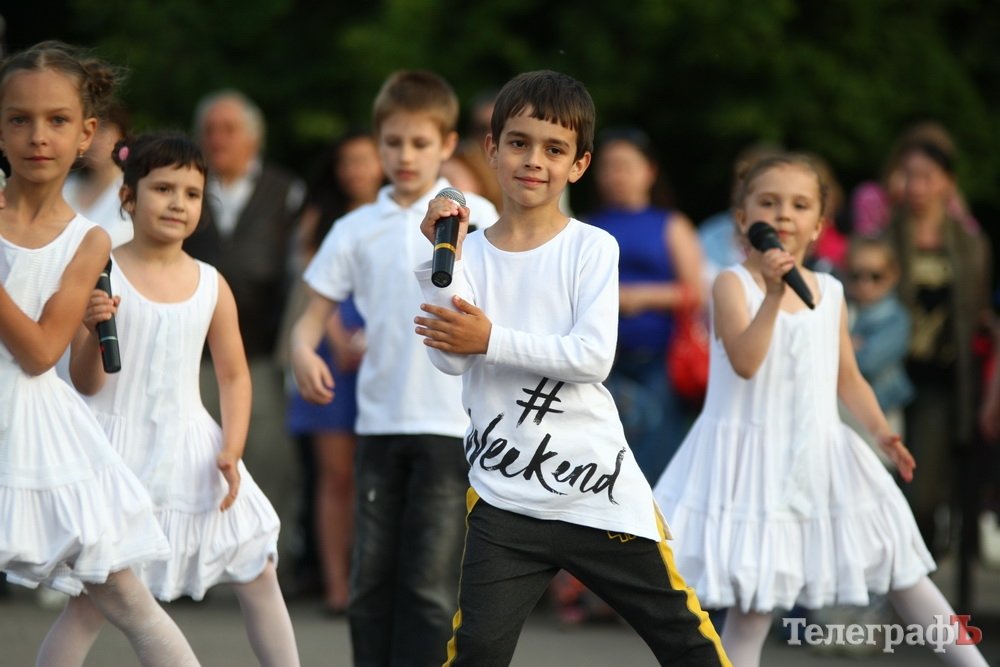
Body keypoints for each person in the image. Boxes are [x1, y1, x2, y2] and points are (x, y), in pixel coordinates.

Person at [413, 69, 729, 667]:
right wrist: (434, 254)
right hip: (505, 498)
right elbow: (448, 358)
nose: (534, 160)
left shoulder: (592, 246)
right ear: (492, 149)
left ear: (578, 165)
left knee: (685, 642)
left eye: (554, 149)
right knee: (476, 650)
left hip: (596, 490)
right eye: (519, 143)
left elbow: (591, 357)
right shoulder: (469, 252)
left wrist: (492, 338)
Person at [651, 152, 988, 666]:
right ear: (743, 219)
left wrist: (881, 432)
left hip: (820, 451)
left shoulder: (830, 291)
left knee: (902, 571)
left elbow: (846, 376)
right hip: (749, 461)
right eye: (768, 202)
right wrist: (770, 292)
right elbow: (744, 361)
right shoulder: (731, 284)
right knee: (751, 611)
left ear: (818, 225)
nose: (784, 214)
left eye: (799, 204)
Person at [43, 131, 299, 666]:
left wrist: (232, 446)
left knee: (257, 565)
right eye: (162, 189)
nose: (178, 203)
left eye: (191, 192)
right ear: (129, 197)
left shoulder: (211, 283)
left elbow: (233, 375)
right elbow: (86, 381)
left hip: (191, 445)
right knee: (94, 601)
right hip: (112, 451)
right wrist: (90, 330)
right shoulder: (98, 269)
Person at [0, 40, 199, 667]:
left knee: (123, 594)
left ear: (87, 132)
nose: (38, 136)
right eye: (19, 119)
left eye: (57, 120)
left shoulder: (89, 241)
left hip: (35, 427)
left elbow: (38, 351)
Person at [290, 70, 498, 666]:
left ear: (447, 144)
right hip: (378, 424)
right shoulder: (355, 227)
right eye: (393, 142)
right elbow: (312, 317)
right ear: (377, 144)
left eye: (420, 143)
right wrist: (306, 350)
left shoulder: (478, 216)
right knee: (370, 584)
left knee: (429, 588)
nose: (405, 156)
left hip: (449, 425)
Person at [186, 89, 305, 576]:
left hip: (258, 349)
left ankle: (262, 560)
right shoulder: (187, 183)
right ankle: (196, 563)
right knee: (196, 456)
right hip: (193, 351)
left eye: (228, 129)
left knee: (267, 454)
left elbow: (298, 270)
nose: (217, 139)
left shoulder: (286, 190)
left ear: (254, 139)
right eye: (210, 130)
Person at [284, 127, 384, 614]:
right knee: (336, 476)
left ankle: (374, 581)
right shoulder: (322, 220)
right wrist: (340, 340)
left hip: (386, 352)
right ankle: (337, 586)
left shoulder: (405, 218)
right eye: (347, 161)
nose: (355, 171)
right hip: (327, 345)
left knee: (380, 476)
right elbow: (313, 291)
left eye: (364, 160)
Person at [884, 133, 992, 555]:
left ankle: (918, 578)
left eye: (928, 177)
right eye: (909, 176)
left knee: (924, 494)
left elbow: (979, 316)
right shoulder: (884, 236)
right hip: (890, 375)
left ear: (948, 182)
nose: (917, 186)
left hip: (945, 381)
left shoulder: (970, 246)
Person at [586, 125, 705, 484]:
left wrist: (640, 298)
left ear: (649, 171)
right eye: (609, 166)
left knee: (655, 457)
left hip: (658, 359)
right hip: (603, 361)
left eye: (626, 165)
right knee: (605, 456)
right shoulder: (587, 226)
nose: (617, 175)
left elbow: (696, 292)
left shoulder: (670, 224)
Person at [62, 101, 133, 248]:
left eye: (103, 131)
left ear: (121, 136)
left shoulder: (134, 193)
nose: (95, 141)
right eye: (88, 133)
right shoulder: (65, 188)